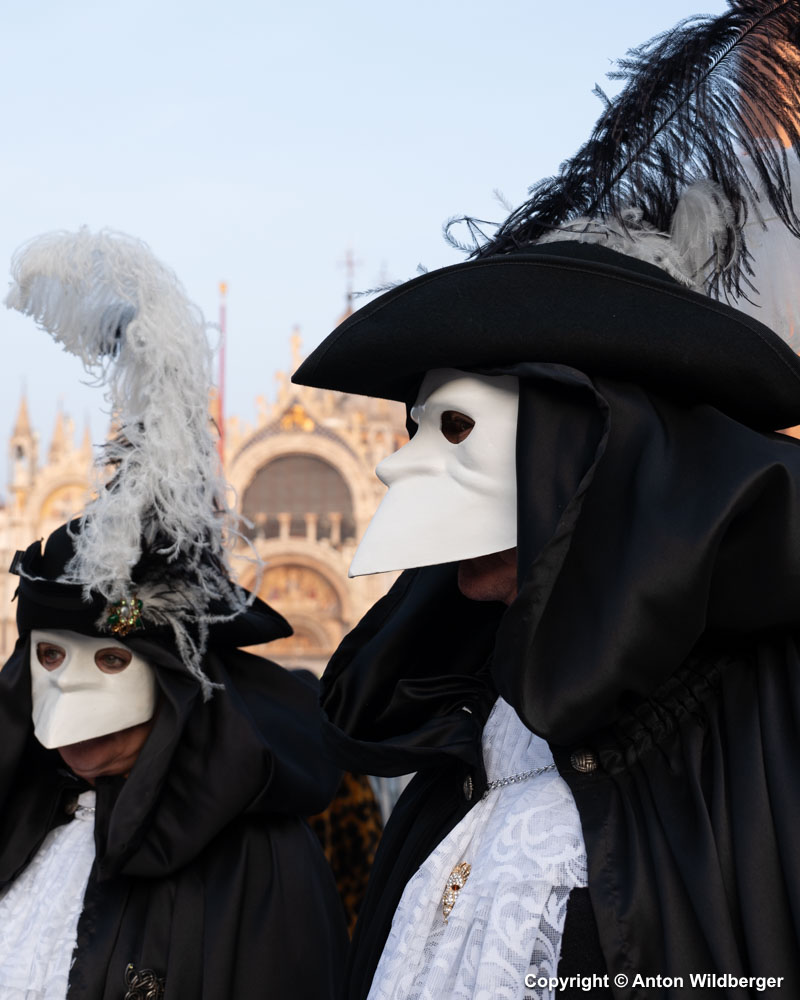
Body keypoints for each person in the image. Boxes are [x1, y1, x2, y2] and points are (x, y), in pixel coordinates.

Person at [292, 2, 800, 998]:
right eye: (412, 430)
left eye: (455, 429)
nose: (398, 472)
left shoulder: (760, 714)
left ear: (595, 457)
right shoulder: (467, 732)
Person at [0, 229, 348, 999]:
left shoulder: (260, 866)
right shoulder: (22, 824)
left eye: (113, 658)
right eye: (49, 656)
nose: (73, 695)